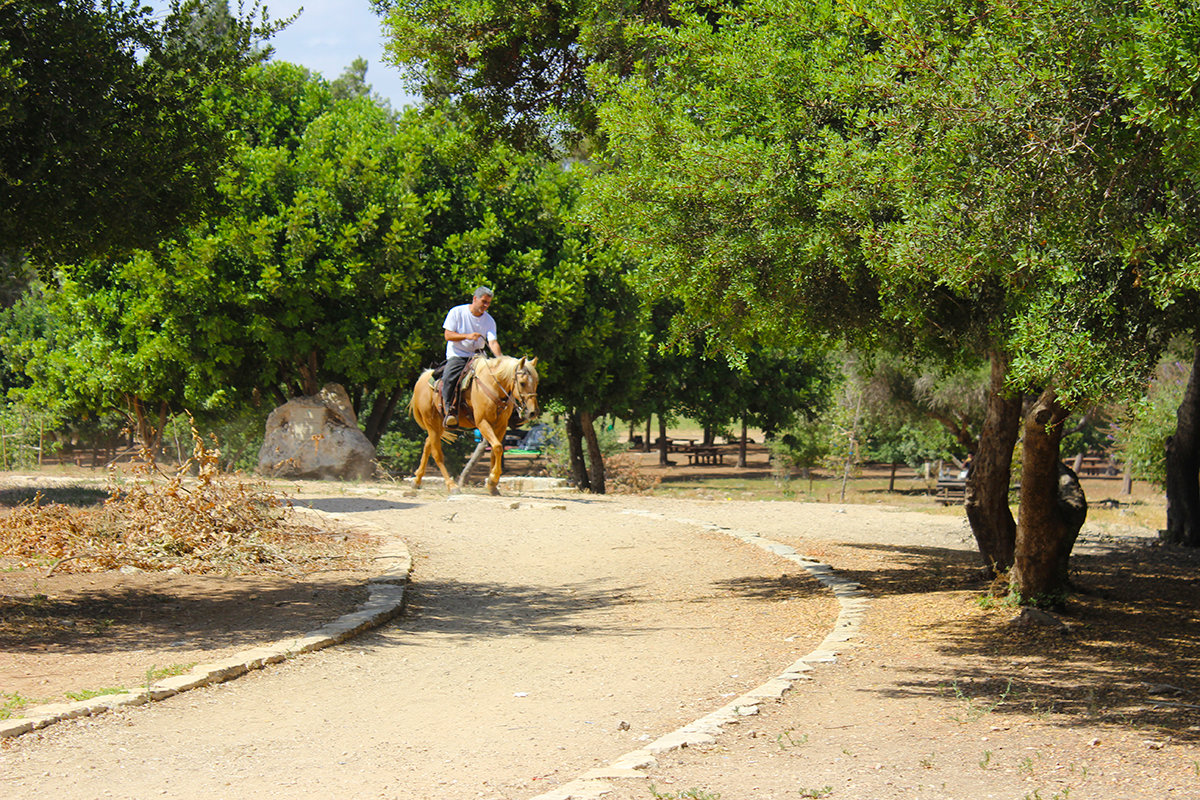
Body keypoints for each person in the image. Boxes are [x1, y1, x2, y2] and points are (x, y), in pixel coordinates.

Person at [441, 286, 502, 427]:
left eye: (488, 303)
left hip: (478, 356)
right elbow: (448, 335)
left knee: (497, 378)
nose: (486, 306)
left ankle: (503, 411)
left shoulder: (489, 321)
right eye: (483, 302)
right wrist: (467, 336)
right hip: (458, 354)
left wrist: (500, 359)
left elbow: (492, 342)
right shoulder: (456, 312)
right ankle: (449, 410)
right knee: (450, 376)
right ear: (475, 299)